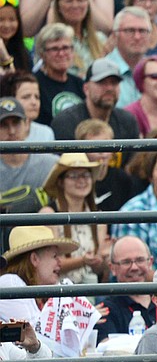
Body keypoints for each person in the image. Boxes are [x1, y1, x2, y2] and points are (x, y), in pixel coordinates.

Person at [39, 153, 109, 285]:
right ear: (61, 182)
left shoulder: (98, 217)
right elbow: (46, 265)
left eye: (85, 175)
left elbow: (99, 270)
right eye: (74, 176)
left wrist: (104, 259)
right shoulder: (49, 214)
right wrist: (83, 261)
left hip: (90, 291)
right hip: (57, 291)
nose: (81, 180)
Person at [0, 225, 78, 326]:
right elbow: (34, 332)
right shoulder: (10, 283)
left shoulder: (39, 295)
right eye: (54, 256)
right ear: (34, 259)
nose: (60, 262)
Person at [0, 97, 58, 193]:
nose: (12, 131)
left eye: (16, 123)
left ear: (27, 124)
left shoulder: (50, 165)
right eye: (3, 125)